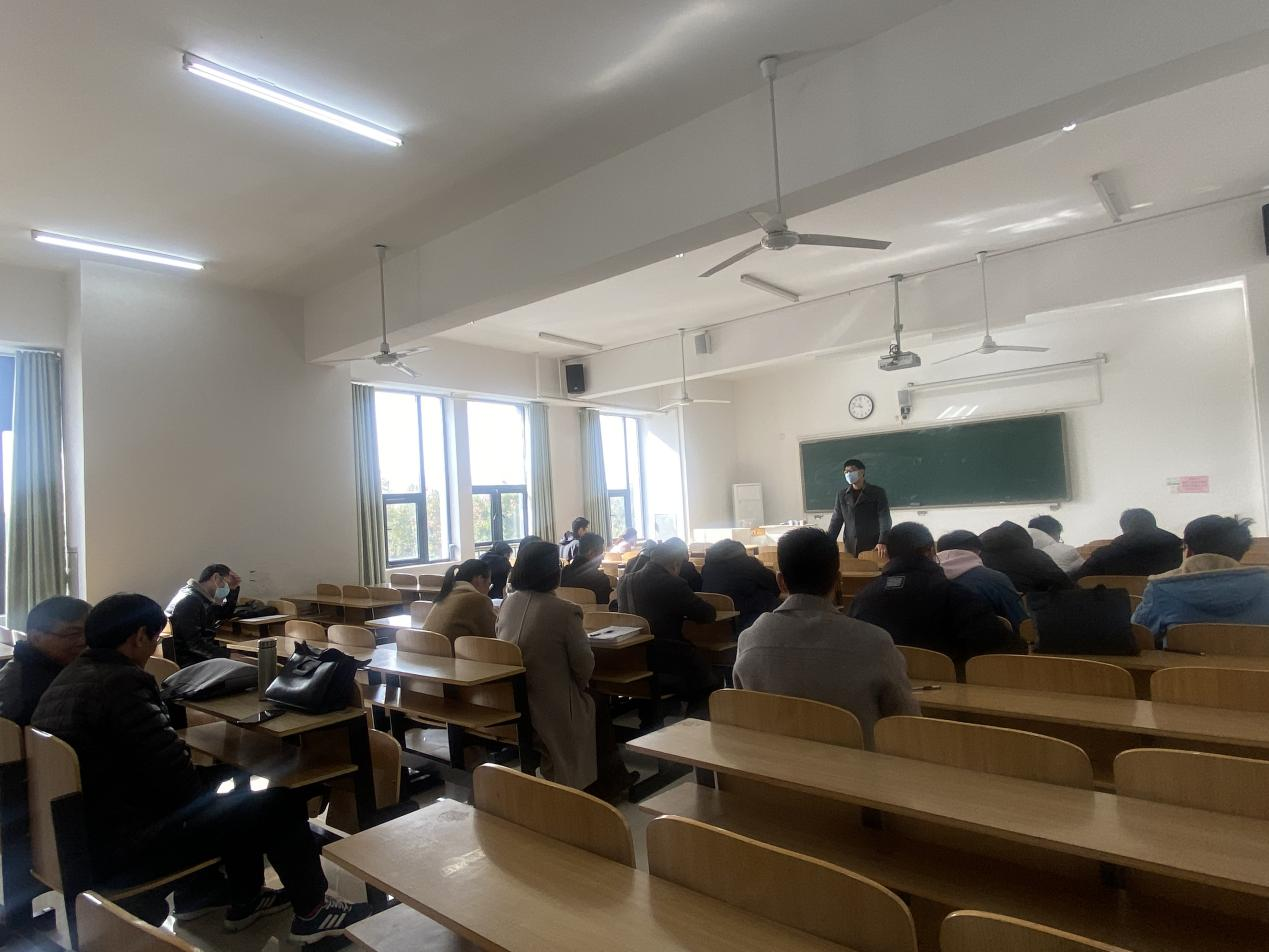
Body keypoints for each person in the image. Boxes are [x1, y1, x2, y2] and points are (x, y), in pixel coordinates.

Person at [31, 593, 368, 942]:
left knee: (238, 781)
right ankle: (313, 911)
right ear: (139, 636)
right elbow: (179, 785)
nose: (152, 649)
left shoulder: (68, 679)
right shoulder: (121, 683)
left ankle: (227, 897)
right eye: (154, 639)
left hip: (86, 835)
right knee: (281, 803)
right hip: (131, 846)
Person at [734, 528, 916, 745]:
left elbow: (742, 709)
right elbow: (907, 722)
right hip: (857, 763)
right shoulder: (875, 643)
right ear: (838, 579)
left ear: (781, 581)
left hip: (773, 759)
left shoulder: (749, 639)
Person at [496, 542, 633, 796]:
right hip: (552, 704)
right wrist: (580, 686)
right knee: (597, 703)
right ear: (553, 573)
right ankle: (603, 784)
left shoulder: (508, 604)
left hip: (516, 699)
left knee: (594, 703)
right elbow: (584, 665)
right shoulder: (564, 611)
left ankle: (611, 779)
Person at [852, 522, 1025, 665]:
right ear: (930, 551)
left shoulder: (863, 597)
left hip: (887, 689)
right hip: (952, 688)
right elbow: (1006, 648)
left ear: (887, 555)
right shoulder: (955, 596)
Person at [617, 537, 719, 708]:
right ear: (675, 564)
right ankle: (693, 722)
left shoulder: (625, 581)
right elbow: (707, 615)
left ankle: (653, 716)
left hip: (631, 655)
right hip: (665, 656)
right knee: (709, 682)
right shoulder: (673, 583)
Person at [1133, 515, 1269, 640]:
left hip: (1184, 659)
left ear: (1189, 552)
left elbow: (1139, 634)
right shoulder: (1265, 584)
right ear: (1241, 553)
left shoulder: (1161, 588)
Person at [0, 596, 91, 726]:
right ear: (35, 638)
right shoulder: (23, 684)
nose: (84, 641)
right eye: (73, 634)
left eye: (88, 633)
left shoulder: (59, 666)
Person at [935, 531, 1027, 633]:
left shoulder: (926, 578)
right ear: (977, 551)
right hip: (986, 640)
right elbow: (1021, 623)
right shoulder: (994, 579)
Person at [165, 564, 241, 667]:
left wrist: (233, 589)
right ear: (216, 578)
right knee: (250, 668)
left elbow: (223, 614)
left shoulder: (198, 597)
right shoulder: (190, 600)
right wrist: (227, 655)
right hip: (189, 663)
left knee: (242, 658)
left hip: (193, 657)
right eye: (226, 583)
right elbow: (194, 644)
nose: (226, 589)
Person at [1076, 509, 1183, 579]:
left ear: (1124, 529)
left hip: (1119, 605)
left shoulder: (1103, 556)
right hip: (1168, 605)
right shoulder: (1182, 552)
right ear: (1154, 525)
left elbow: (1079, 580)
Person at [701, 538, 780, 632]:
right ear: (740, 551)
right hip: (749, 621)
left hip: (714, 623)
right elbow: (774, 585)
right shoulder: (748, 564)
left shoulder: (706, 568)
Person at [979, 521, 1073, 595]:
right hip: (1030, 609)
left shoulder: (978, 558)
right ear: (1024, 537)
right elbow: (1064, 585)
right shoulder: (1034, 556)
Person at [826, 459, 892, 558]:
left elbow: (884, 518)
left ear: (862, 472)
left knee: (871, 566)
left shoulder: (877, 492)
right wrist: (828, 542)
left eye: (851, 471)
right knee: (853, 566)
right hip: (850, 544)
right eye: (846, 472)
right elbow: (836, 520)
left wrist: (882, 541)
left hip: (873, 544)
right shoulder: (842, 495)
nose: (848, 474)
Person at [423, 559, 498, 643]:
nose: (488, 590)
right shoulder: (478, 600)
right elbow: (496, 636)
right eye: (488, 584)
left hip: (426, 649)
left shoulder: (446, 594)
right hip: (451, 651)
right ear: (479, 579)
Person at [560, 533, 613, 606]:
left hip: (567, 613)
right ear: (591, 552)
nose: (602, 558)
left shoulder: (563, 574)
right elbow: (606, 607)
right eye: (601, 553)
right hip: (592, 614)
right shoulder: (600, 579)